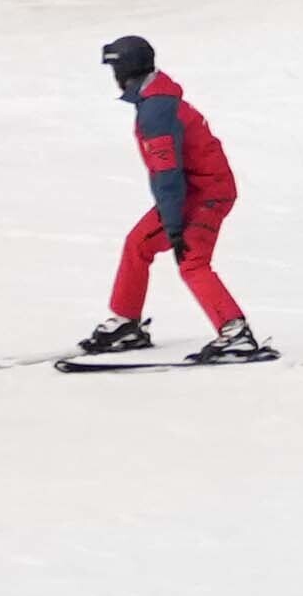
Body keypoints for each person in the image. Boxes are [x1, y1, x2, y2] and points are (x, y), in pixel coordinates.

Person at [75, 33, 267, 362]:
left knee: (192, 260)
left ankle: (236, 334)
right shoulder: (156, 97)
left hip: (206, 193)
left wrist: (175, 225)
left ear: (126, 73)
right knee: (139, 243)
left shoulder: (156, 111)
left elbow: (167, 173)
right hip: (193, 189)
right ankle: (126, 322)